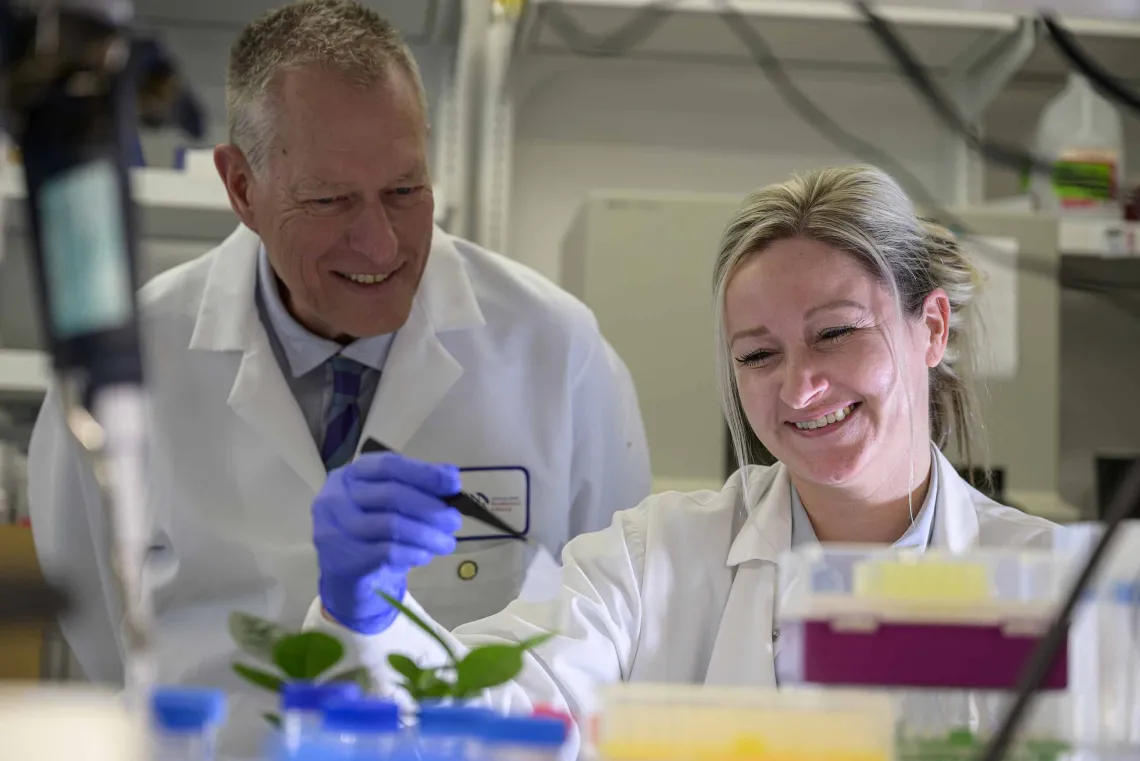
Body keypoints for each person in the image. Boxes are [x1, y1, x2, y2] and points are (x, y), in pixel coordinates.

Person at [26, 0, 650, 753]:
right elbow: (98, 619)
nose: (379, 241)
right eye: (328, 200)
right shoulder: (131, 360)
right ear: (241, 187)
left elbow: (611, 619)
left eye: (405, 190)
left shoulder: (554, 349)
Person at [304, 165, 1069, 755]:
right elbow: (491, 718)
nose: (799, 385)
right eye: (758, 353)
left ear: (930, 327)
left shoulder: (1057, 584)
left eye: (836, 333)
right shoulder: (651, 564)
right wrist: (365, 616)